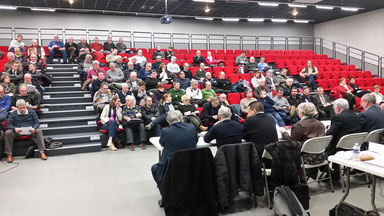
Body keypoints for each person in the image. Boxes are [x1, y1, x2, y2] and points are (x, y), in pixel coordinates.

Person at [151, 110, 198, 186]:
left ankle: (165, 193)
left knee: (154, 169)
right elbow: (196, 141)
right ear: (182, 118)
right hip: (191, 162)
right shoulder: (192, 128)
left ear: (168, 120)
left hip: (172, 164)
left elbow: (162, 143)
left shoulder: (165, 131)